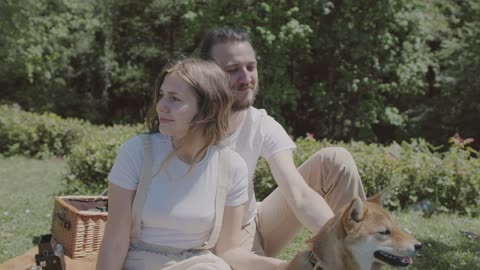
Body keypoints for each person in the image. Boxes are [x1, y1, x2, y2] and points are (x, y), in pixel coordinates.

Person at [96, 58, 286, 270]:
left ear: (208, 109)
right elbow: (114, 243)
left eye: (175, 99)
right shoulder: (137, 152)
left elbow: (230, 252)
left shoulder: (231, 167)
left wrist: (283, 266)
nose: (161, 106)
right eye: (162, 96)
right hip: (143, 262)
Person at [196, 28, 367, 257]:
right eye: (232, 70)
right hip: (201, 236)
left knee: (335, 160)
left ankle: (359, 254)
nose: (246, 79)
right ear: (206, 73)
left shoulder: (260, 123)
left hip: (249, 225)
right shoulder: (181, 121)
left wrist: (344, 241)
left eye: (251, 67)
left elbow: (299, 193)